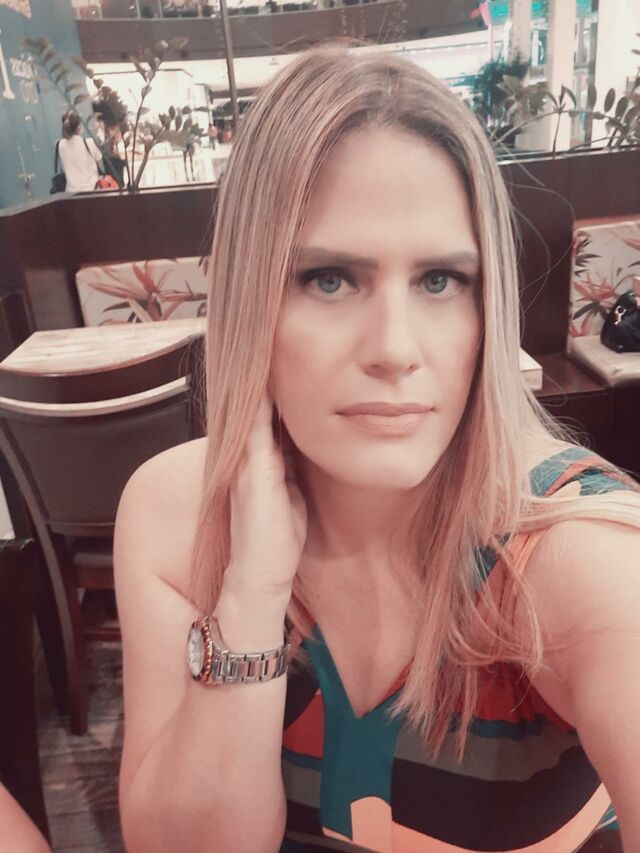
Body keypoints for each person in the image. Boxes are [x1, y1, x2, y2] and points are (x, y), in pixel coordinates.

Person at [114, 43, 640, 852]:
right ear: (252, 301)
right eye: (329, 278)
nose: (395, 349)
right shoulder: (176, 514)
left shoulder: (579, 554)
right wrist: (251, 593)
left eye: (440, 280)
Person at [56, 110, 102, 193]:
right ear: (79, 127)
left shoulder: (60, 145)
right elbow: (98, 162)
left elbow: (63, 168)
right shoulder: (89, 143)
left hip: (71, 192)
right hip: (91, 190)